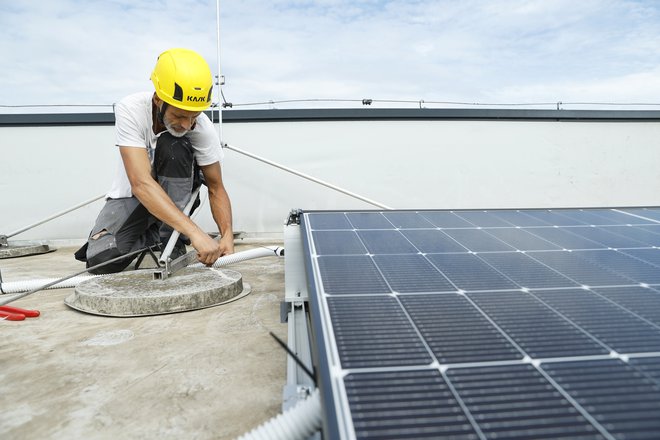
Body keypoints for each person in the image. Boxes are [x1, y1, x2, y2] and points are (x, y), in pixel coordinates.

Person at [75, 48, 234, 274]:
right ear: (158, 100)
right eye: (179, 115)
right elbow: (140, 184)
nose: (187, 125)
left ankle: (172, 236)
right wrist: (196, 233)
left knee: (175, 144)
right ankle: (155, 235)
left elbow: (216, 187)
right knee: (102, 260)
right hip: (134, 197)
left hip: (177, 194)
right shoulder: (130, 110)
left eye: (194, 116)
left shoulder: (202, 127)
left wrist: (227, 235)